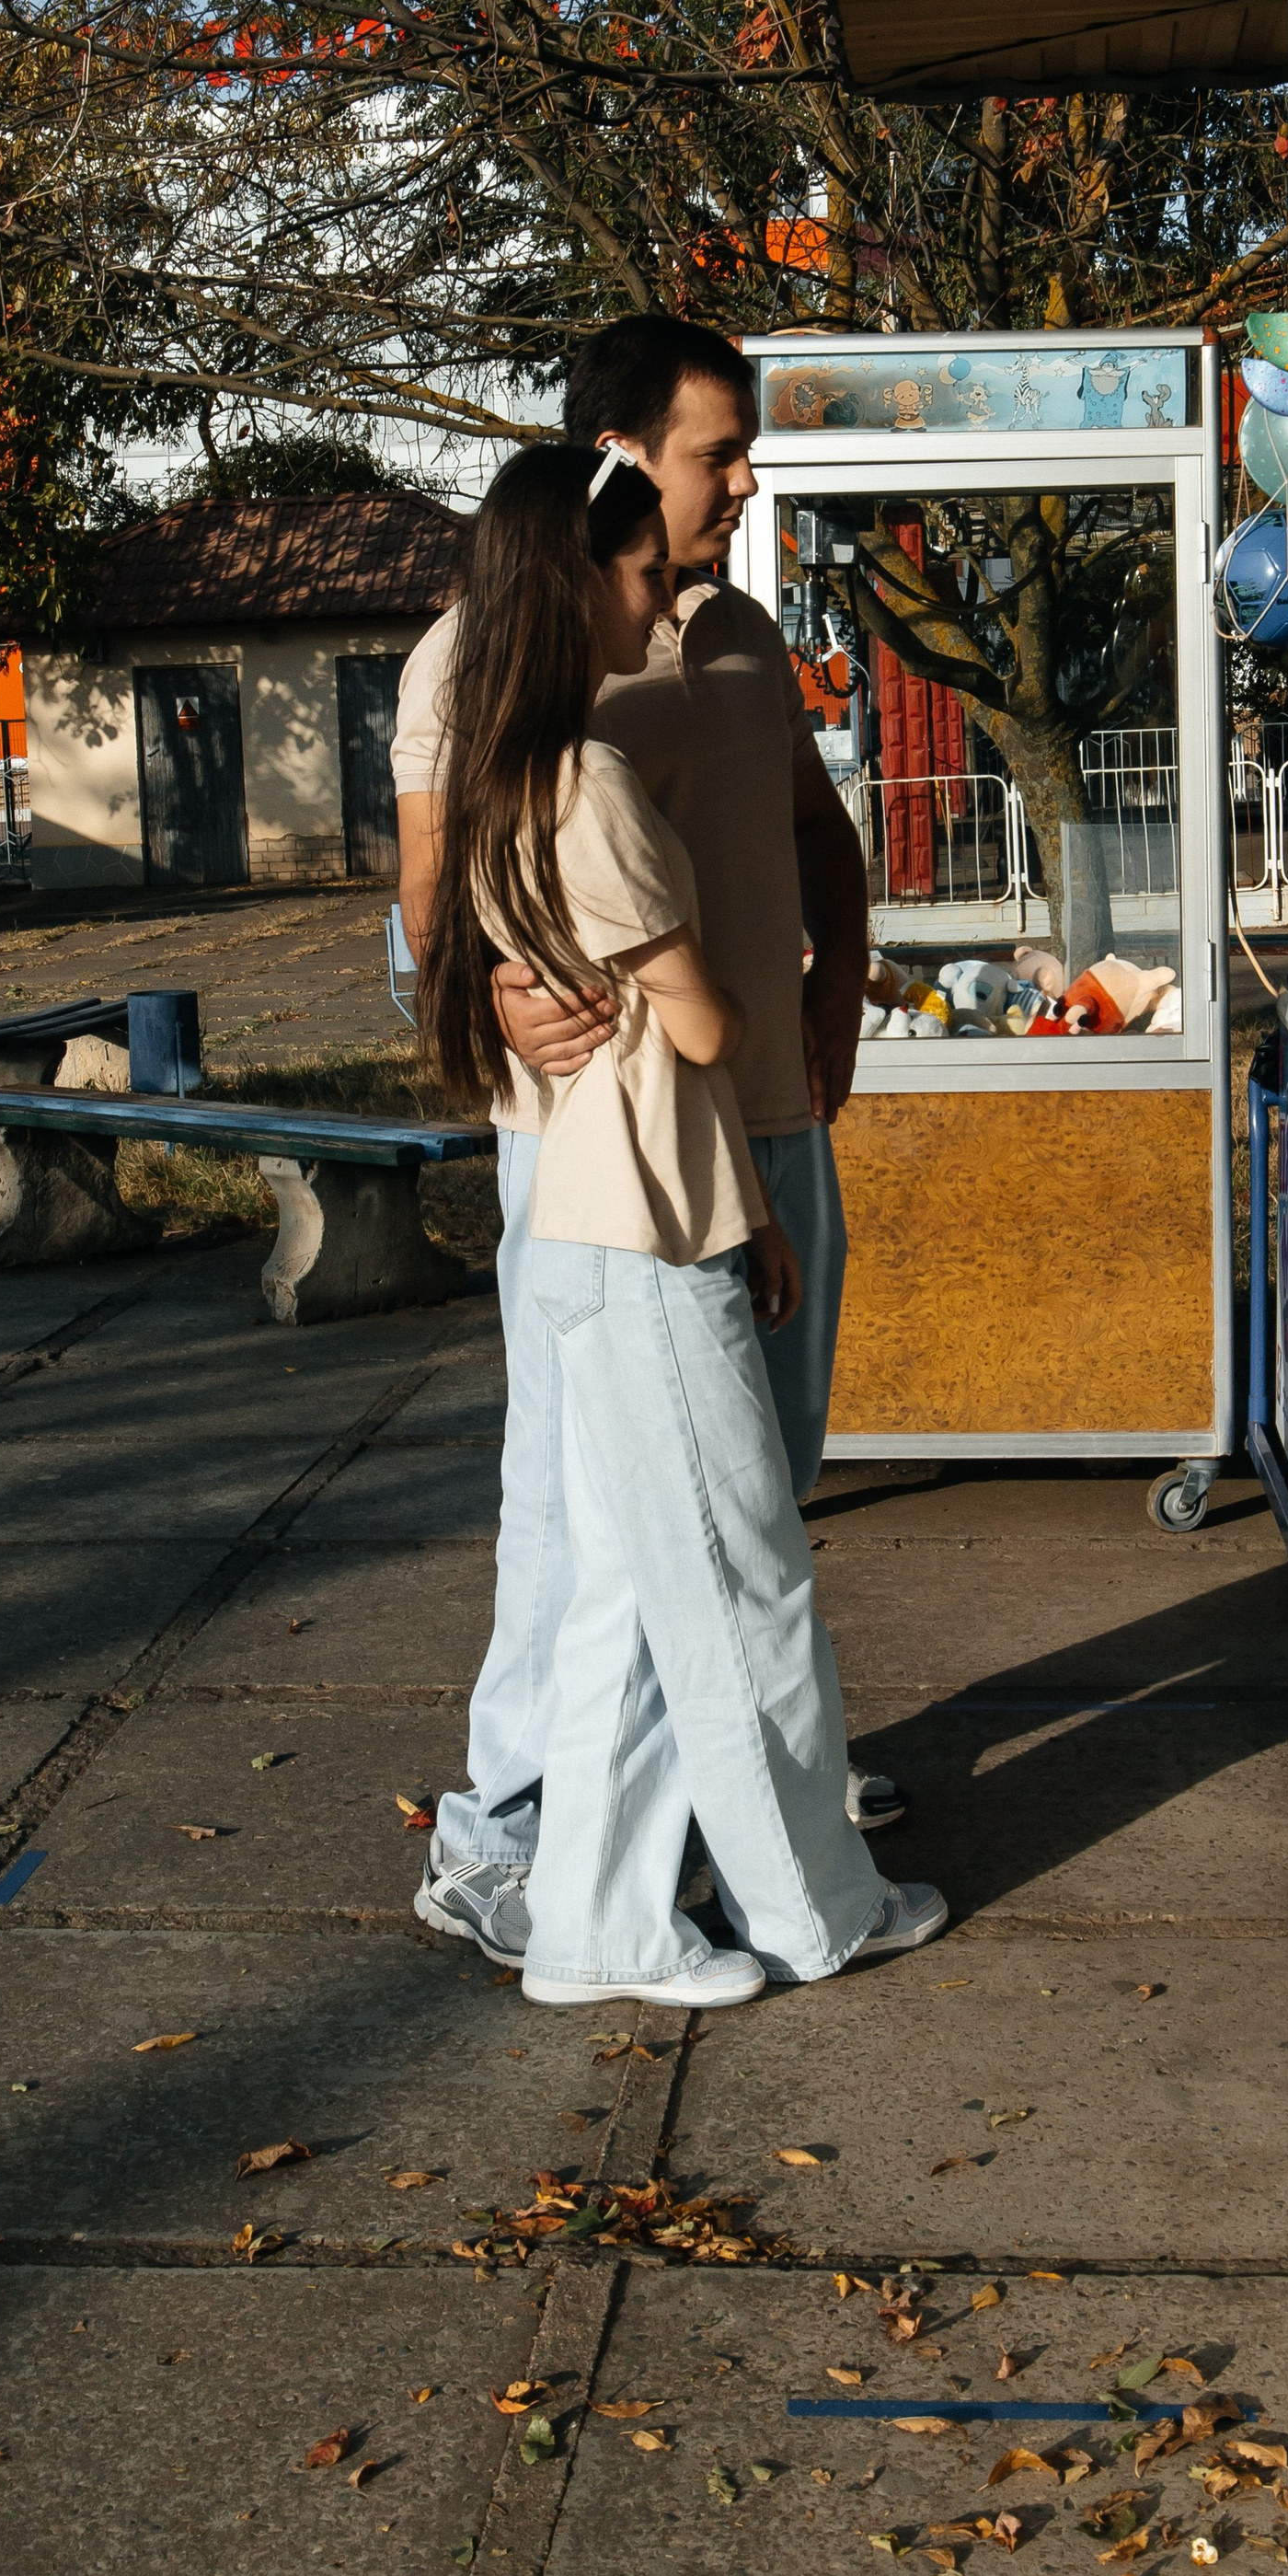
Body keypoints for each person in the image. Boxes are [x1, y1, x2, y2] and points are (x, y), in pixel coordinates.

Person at [396, 317, 900, 1962]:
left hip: (768, 1133)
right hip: (607, 1147)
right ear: (621, 457)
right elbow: (437, 899)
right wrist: (488, 998)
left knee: (760, 1491)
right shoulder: (486, 654)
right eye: (715, 455)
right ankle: (512, 1826)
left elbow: (817, 835)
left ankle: (727, 1792)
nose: (744, 482)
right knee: (584, 1507)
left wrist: (834, 994)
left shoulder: (742, 632)